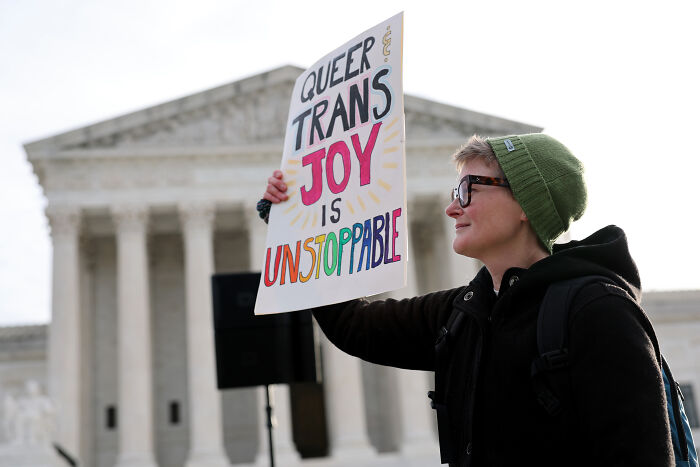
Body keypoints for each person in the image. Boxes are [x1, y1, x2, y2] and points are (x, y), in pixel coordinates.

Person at [261, 133, 673, 466]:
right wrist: (297, 224)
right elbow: (354, 325)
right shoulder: (462, 313)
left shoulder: (599, 313)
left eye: (467, 188)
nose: (452, 207)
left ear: (526, 204)